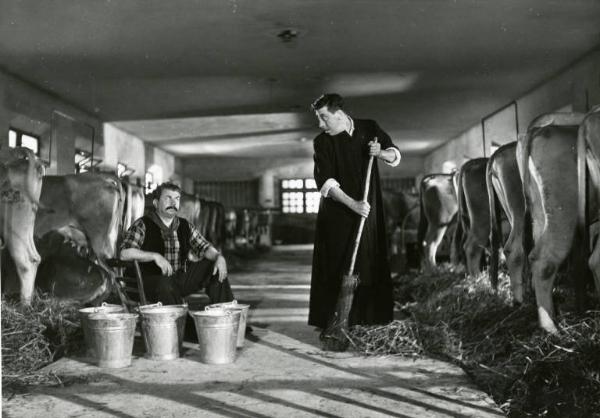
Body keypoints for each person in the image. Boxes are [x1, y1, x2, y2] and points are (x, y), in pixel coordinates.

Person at [308, 93, 401, 329]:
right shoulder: (322, 142)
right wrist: (353, 205)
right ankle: (335, 322)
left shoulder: (369, 128)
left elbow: (395, 155)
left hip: (368, 212)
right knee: (338, 263)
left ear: (339, 115)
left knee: (369, 261)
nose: (320, 124)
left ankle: (369, 321)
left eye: (323, 117)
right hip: (337, 214)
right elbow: (326, 183)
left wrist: (380, 152)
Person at [120, 182, 234, 305]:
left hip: (175, 280)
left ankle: (227, 315)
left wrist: (219, 257)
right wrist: (155, 256)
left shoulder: (185, 225)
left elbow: (204, 247)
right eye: (168, 198)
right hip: (146, 282)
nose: (173, 203)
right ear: (156, 203)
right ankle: (179, 320)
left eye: (177, 199)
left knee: (214, 267)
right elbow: (124, 253)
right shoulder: (142, 224)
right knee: (165, 283)